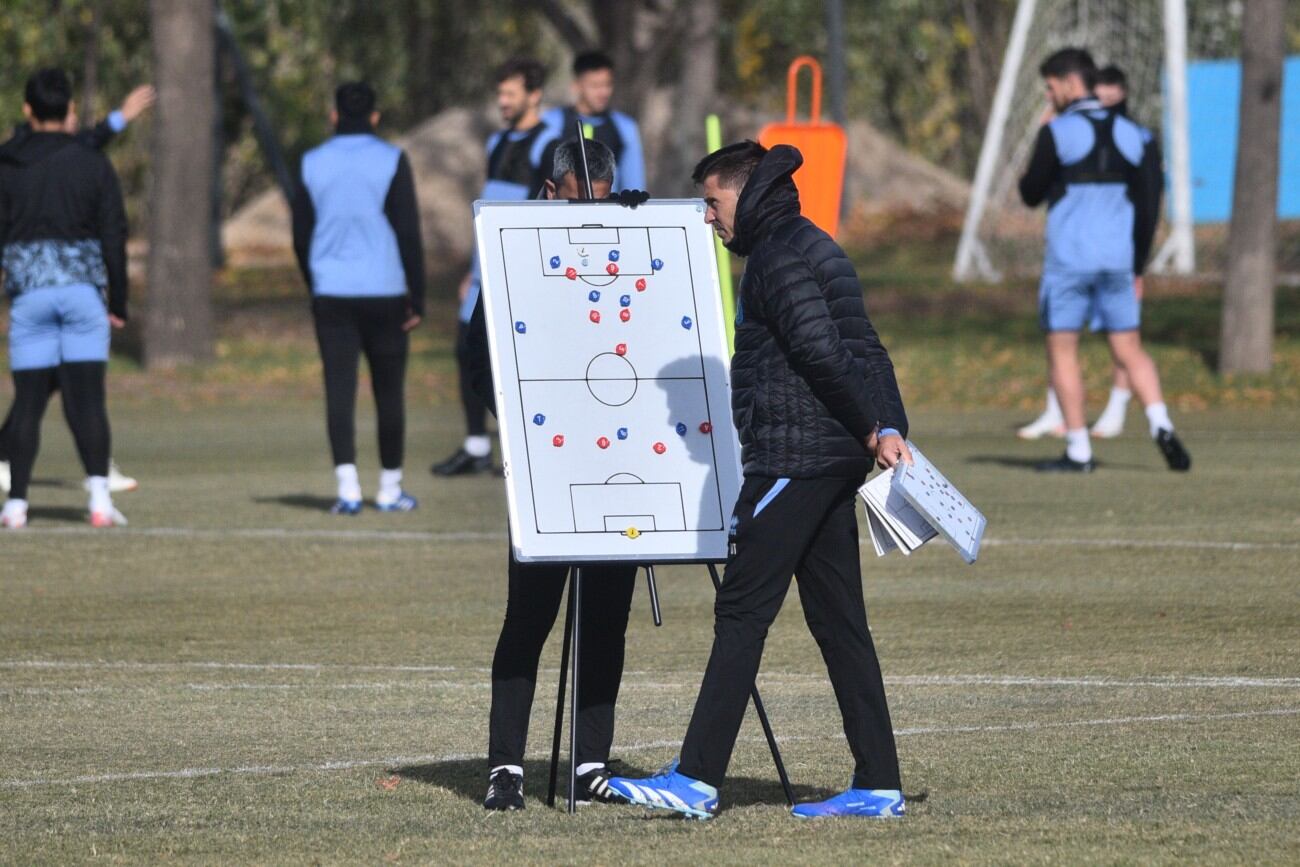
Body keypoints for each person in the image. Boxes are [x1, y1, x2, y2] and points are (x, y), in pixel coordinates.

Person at [606, 141, 912, 820]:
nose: (710, 219)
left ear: (744, 194)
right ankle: (879, 782)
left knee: (742, 611)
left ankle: (696, 776)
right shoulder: (817, 244)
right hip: (833, 462)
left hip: (794, 461)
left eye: (713, 203)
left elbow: (823, 349)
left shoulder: (776, 257)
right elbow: (869, 347)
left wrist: (872, 427)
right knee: (840, 622)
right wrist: (888, 426)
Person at [467, 138, 642, 812]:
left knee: (606, 621)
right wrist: (521, 425)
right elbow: (479, 362)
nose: (590, 214)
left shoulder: (626, 243)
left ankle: (591, 764)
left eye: (602, 199)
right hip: (545, 468)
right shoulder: (511, 255)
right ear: (550, 190)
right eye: (578, 199)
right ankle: (505, 766)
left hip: (619, 464)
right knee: (529, 618)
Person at [1018, 48, 1189, 472]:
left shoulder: (1058, 132)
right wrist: (1138, 264)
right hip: (1118, 260)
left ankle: (1078, 450)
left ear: (1069, 83)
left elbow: (1030, 193)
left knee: (1063, 350)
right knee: (1129, 347)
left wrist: (1043, 135)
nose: (1048, 94)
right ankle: (1160, 422)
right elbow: (1150, 204)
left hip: (1069, 260)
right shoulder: (1138, 135)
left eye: (1050, 86)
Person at [0, 83, 154, 496]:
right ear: (66, 109)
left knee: (40, 388)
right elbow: (112, 232)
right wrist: (118, 298)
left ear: (28, 108)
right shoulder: (77, 160)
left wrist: (120, 117)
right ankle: (98, 480)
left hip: (31, 292)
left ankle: (17, 496)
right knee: (79, 393)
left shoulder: (14, 157)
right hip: (77, 290)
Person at [291, 82, 425, 514]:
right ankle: (389, 489)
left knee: (339, 390)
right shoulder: (390, 159)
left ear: (333, 116)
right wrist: (417, 296)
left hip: (332, 292)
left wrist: (315, 281)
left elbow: (300, 233)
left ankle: (347, 489)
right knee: (389, 392)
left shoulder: (311, 162)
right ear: (374, 117)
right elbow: (407, 231)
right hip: (385, 290)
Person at [432, 58, 557, 477]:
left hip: (517, 266)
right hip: (484, 265)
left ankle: (526, 444)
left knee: (519, 359)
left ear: (533, 95)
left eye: (510, 93)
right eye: (499, 93)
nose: (502, 101)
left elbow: (542, 212)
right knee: (467, 349)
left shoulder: (549, 144)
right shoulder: (497, 143)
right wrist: (473, 266)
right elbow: (489, 206)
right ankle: (475, 446)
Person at [539, 51, 644, 193]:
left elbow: (634, 186)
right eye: (595, 86)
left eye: (607, 85)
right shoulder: (552, 122)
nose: (603, 92)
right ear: (576, 86)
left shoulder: (625, 127)